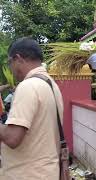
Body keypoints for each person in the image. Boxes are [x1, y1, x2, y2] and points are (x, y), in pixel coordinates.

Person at [0, 37, 64, 180]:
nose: (10, 69)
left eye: (9, 63)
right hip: (46, 172)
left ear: (18, 59)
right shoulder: (51, 85)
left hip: (26, 173)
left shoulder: (28, 86)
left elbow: (12, 138)